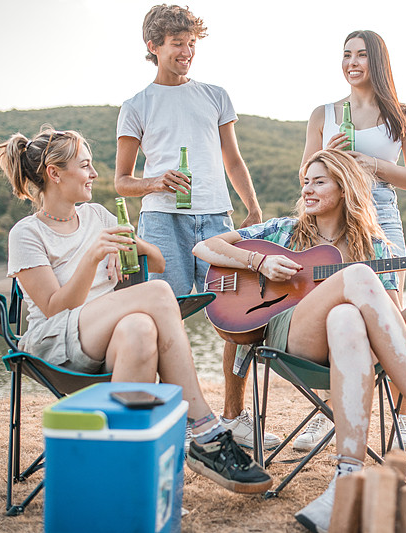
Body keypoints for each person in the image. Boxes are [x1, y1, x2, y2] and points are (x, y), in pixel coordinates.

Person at [192, 149, 406, 531]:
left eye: (319, 181)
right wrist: (258, 263)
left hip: (352, 349)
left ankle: (346, 477)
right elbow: (205, 247)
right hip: (291, 338)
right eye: (306, 181)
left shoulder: (375, 246)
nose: (307, 189)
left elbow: (396, 325)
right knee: (358, 276)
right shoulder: (285, 230)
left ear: (344, 188)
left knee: (347, 316)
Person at [0, 128, 272, 495]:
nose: (94, 174)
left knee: (139, 327)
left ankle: (122, 480)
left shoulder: (99, 216)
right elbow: (55, 308)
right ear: (55, 173)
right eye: (85, 166)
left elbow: (158, 261)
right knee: (157, 294)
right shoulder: (27, 234)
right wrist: (92, 257)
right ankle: (204, 430)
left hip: (105, 338)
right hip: (54, 342)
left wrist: (131, 249)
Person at [114, 4, 279, 451]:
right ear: (153, 47)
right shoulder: (136, 106)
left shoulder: (215, 95)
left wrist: (252, 207)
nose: (187, 52)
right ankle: (167, 421)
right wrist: (155, 181)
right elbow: (121, 181)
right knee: (163, 318)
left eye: (192, 44)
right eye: (177, 44)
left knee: (240, 319)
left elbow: (233, 159)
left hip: (217, 219)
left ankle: (234, 416)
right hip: (161, 220)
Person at [299, 30, 406, 453]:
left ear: (378, 61)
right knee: (334, 310)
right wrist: (329, 157)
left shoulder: (403, 114)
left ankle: (405, 416)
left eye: (361, 55)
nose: (352, 62)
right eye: (346, 55)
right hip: (332, 219)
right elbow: (305, 175)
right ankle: (330, 413)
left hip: (382, 217)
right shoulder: (325, 113)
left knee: (389, 309)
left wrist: (373, 164)